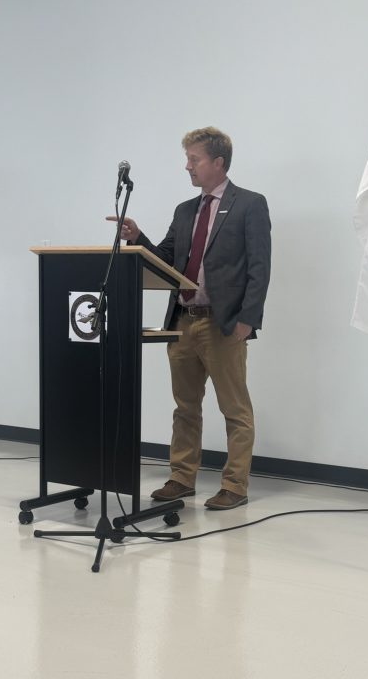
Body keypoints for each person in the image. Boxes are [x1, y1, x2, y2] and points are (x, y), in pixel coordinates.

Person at [108, 127, 271, 510]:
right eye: (188, 159)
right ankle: (181, 478)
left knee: (235, 409)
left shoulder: (250, 204)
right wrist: (137, 237)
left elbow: (260, 268)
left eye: (194, 159)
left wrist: (248, 320)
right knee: (185, 407)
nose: (187, 166)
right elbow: (166, 259)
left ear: (218, 162)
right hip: (182, 321)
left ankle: (234, 486)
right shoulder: (185, 211)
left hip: (223, 323)